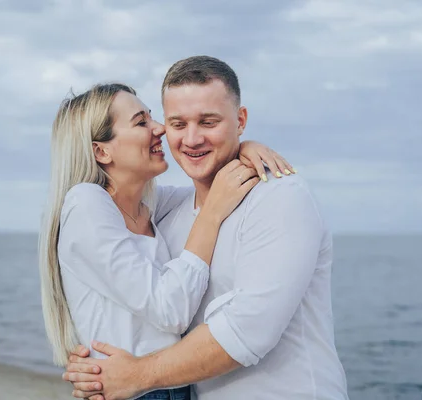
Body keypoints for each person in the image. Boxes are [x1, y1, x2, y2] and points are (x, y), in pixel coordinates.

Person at [63, 56, 349, 400]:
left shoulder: (280, 198)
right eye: (177, 123)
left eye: (209, 122)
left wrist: (138, 374)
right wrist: (95, 364)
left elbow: (247, 331)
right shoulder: (166, 213)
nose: (192, 138)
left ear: (240, 120)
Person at [38, 83, 295, 400]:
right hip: (134, 391)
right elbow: (170, 309)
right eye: (141, 122)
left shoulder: (149, 206)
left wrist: (242, 146)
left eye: (151, 116)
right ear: (101, 151)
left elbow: (218, 186)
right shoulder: (86, 202)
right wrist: (211, 215)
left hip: (169, 387)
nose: (159, 128)